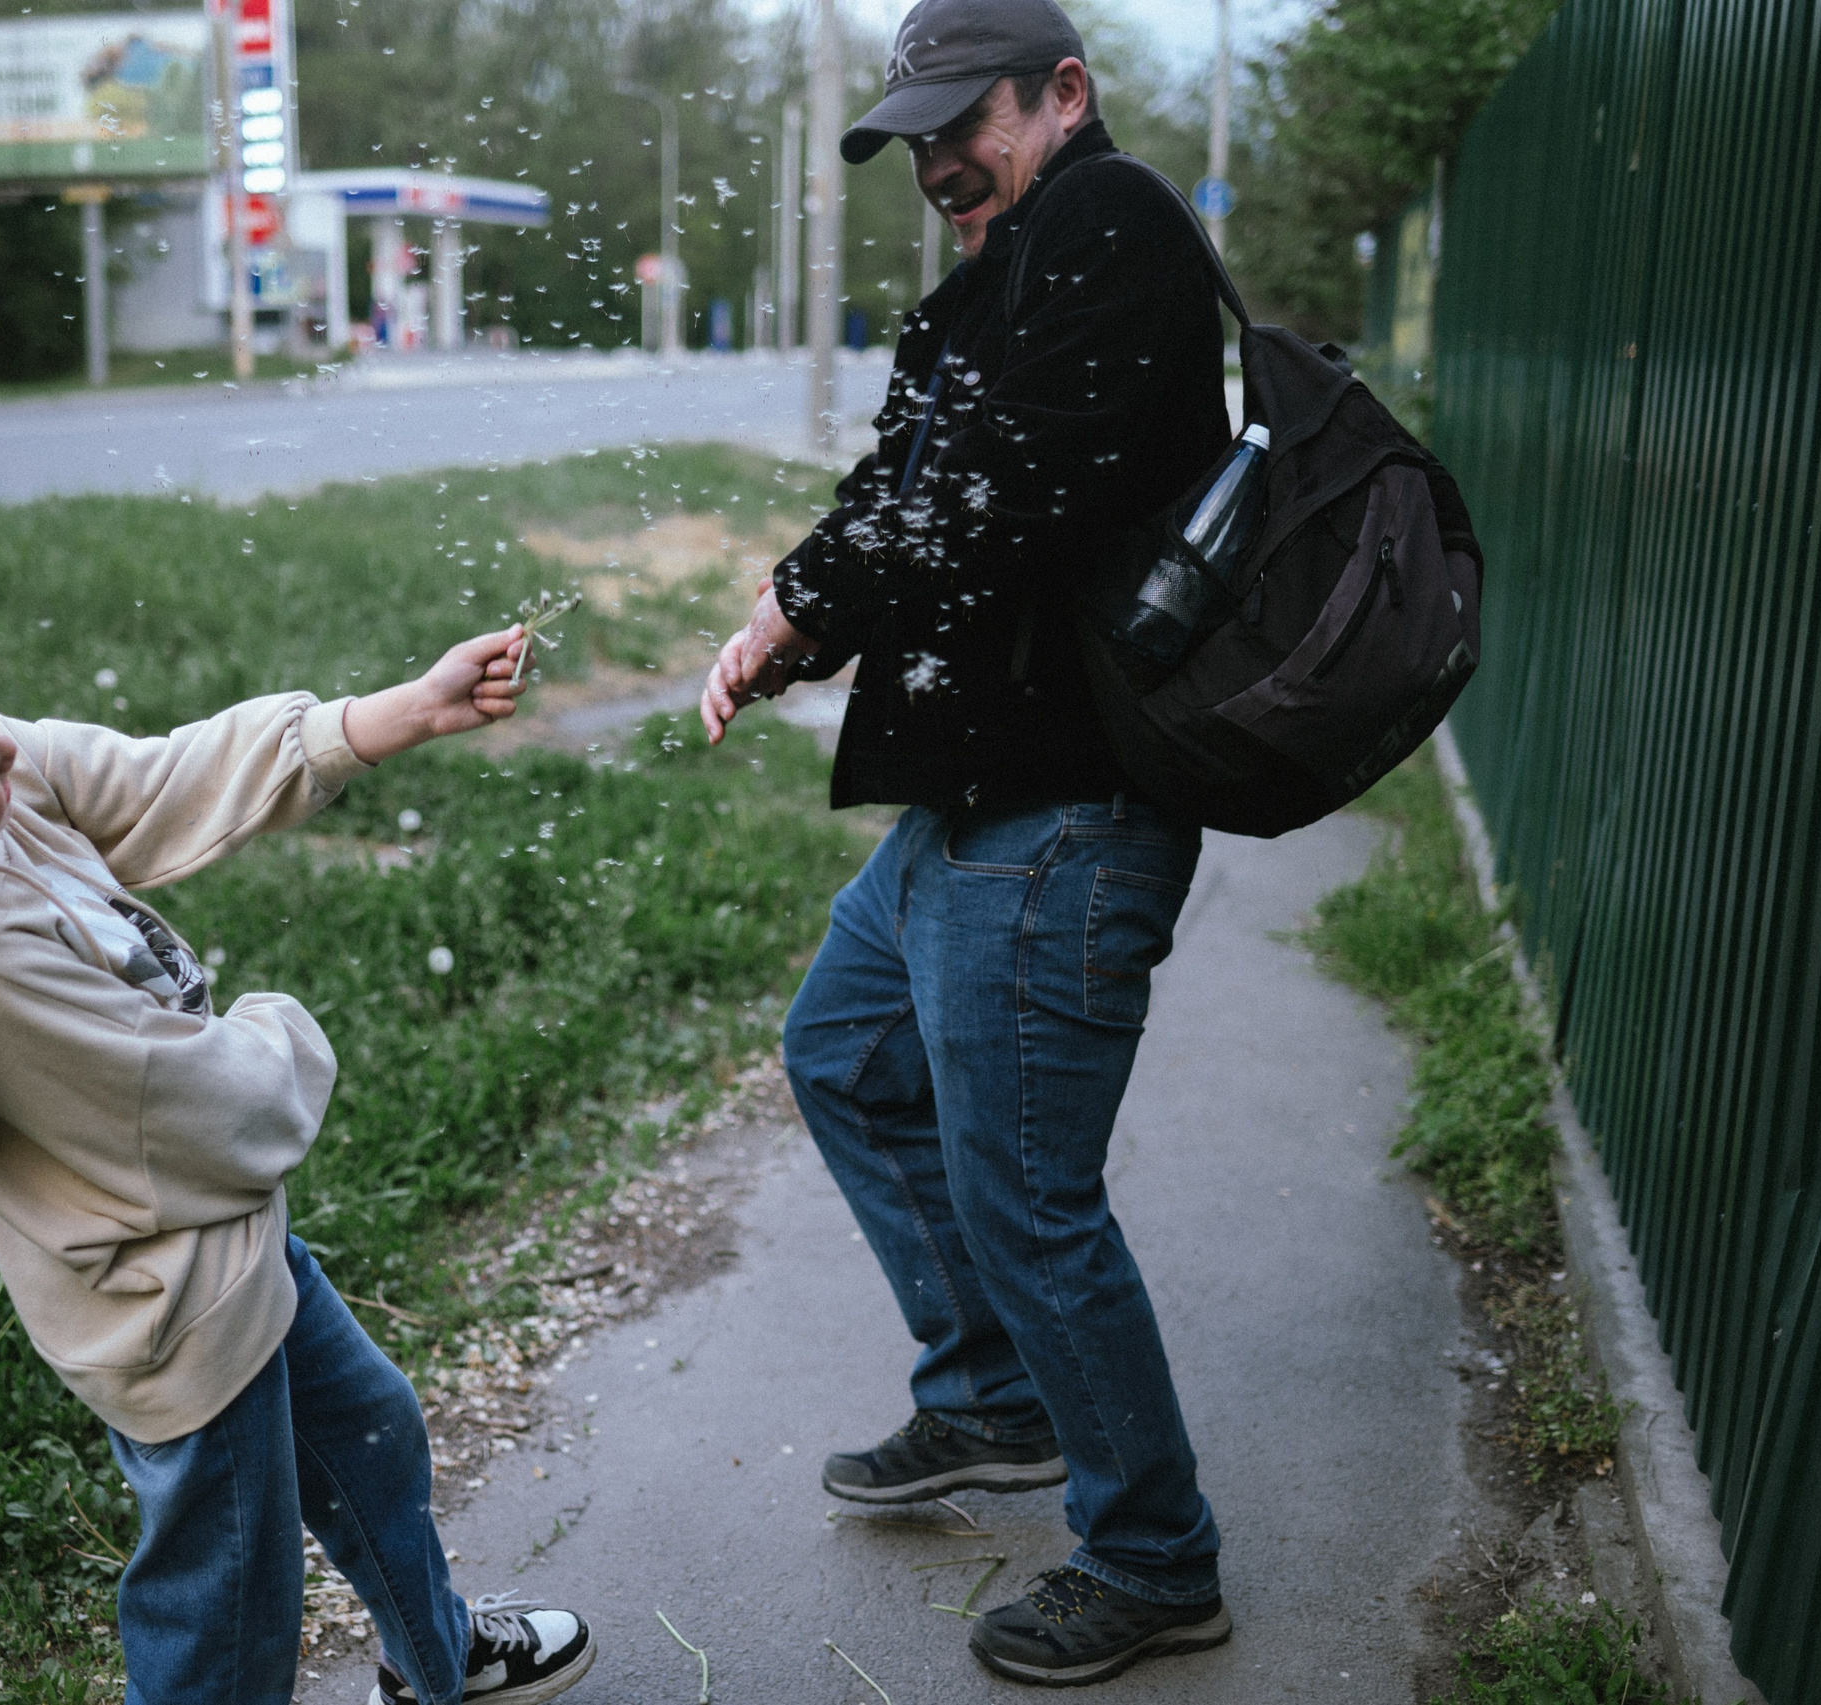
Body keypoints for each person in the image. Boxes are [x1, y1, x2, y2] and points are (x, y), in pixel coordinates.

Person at [0, 622, 596, 1705]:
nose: (10, 758)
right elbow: (204, 1114)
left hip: (224, 1244)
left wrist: (395, 714)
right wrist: (276, 1026)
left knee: (370, 1435)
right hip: (174, 1312)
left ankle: (434, 1657)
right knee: (226, 1617)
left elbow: (150, 777)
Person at [700, 0, 1235, 1687]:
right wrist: (799, 605)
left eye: (966, 121)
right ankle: (996, 1395)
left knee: (1026, 1193)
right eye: (915, 134)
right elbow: (909, 482)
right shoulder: (1009, 272)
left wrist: (810, 596)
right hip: (975, 804)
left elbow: (991, 488)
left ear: (1061, 96)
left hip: (1065, 817)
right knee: (847, 1055)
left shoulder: (1111, 221)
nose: (939, 159)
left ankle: (1152, 1554)